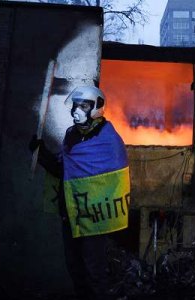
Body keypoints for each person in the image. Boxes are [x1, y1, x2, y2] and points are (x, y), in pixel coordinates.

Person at [29, 86, 130, 299]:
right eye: (76, 105)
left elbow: (113, 179)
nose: (77, 110)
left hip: (94, 218)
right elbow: (63, 169)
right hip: (71, 213)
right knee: (75, 268)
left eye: (83, 105)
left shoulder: (107, 139)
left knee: (94, 271)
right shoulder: (72, 135)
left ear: (96, 108)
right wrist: (42, 153)